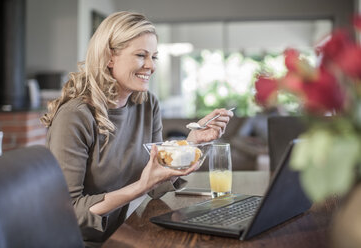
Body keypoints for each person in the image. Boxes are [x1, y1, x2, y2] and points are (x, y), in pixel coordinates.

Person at [41, 11, 233, 247]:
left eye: (154, 56)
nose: (151, 66)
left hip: (128, 229)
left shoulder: (146, 103)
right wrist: (140, 187)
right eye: (141, 55)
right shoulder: (75, 116)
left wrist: (193, 143)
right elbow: (68, 213)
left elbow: (156, 183)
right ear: (110, 57)